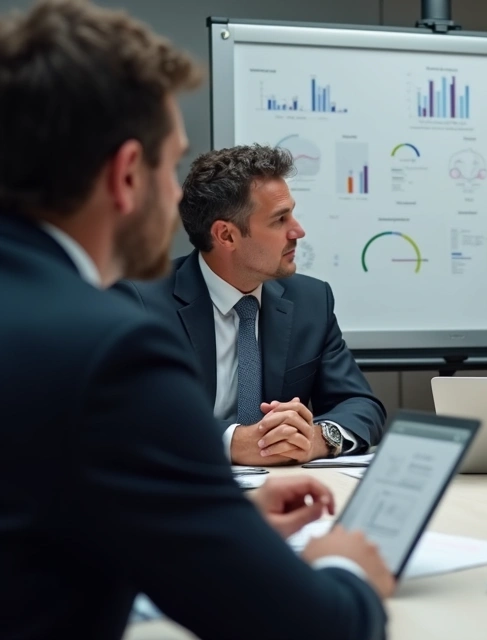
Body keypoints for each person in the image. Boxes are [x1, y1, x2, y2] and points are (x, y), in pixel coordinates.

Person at [0, 1, 392, 638]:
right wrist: (346, 568)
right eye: (169, 165)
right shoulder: (107, 345)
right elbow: (314, 627)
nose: (174, 195)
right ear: (128, 175)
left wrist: (217, 523)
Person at [115, 145, 386, 465]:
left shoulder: (311, 300)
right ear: (226, 235)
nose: (298, 231)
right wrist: (232, 442)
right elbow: (129, 416)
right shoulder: (141, 304)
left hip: (288, 483)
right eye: (279, 219)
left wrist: (318, 438)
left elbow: (361, 405)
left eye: (292, 213)